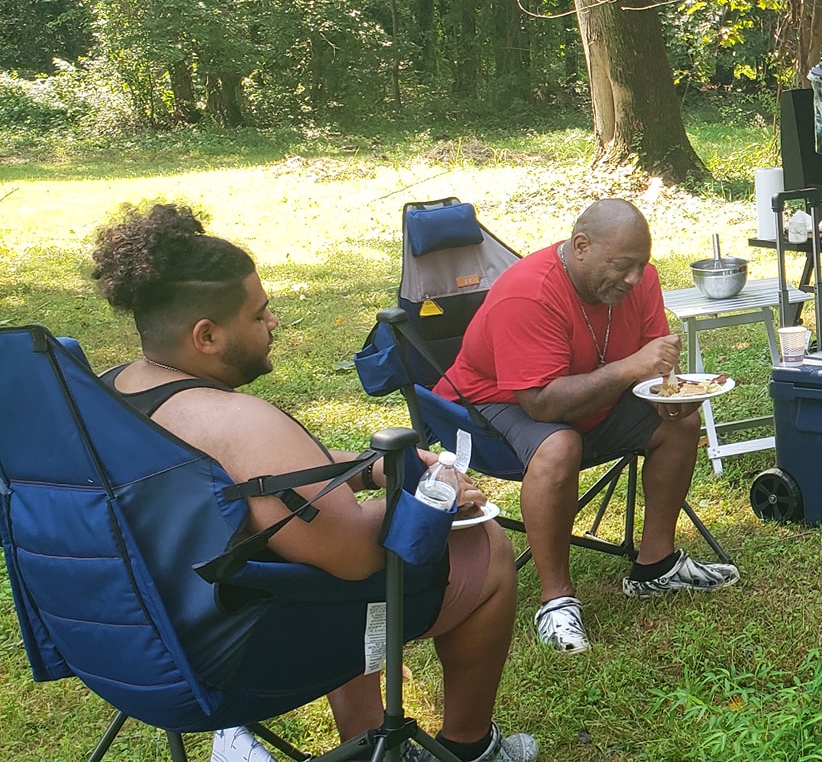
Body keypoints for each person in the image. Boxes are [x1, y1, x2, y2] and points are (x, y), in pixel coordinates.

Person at [89, 203, 536, 762]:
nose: (273, 323)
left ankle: (369, 744)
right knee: (483, 547)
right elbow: (348, 555)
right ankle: (470, 747)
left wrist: (379, 466)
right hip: (227, 657)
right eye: (259, 315)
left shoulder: (104, 396)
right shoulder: (236, 420)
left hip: (128, 641)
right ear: (206, 335)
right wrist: (436, 498)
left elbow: (263, 472)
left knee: (320, 561)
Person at [436, 198, 736, 655]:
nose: (634, 280)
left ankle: (655, 567)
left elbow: (653, 371)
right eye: (622, 267)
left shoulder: (641, 281)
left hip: (590, 400)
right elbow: (540, 404)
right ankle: (556, 600)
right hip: (496, 405)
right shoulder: (529, 293)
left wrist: (669, 397)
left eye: (641, 266)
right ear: (581, 246)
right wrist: (629, 370)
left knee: (682, 423)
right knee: (559, 446)